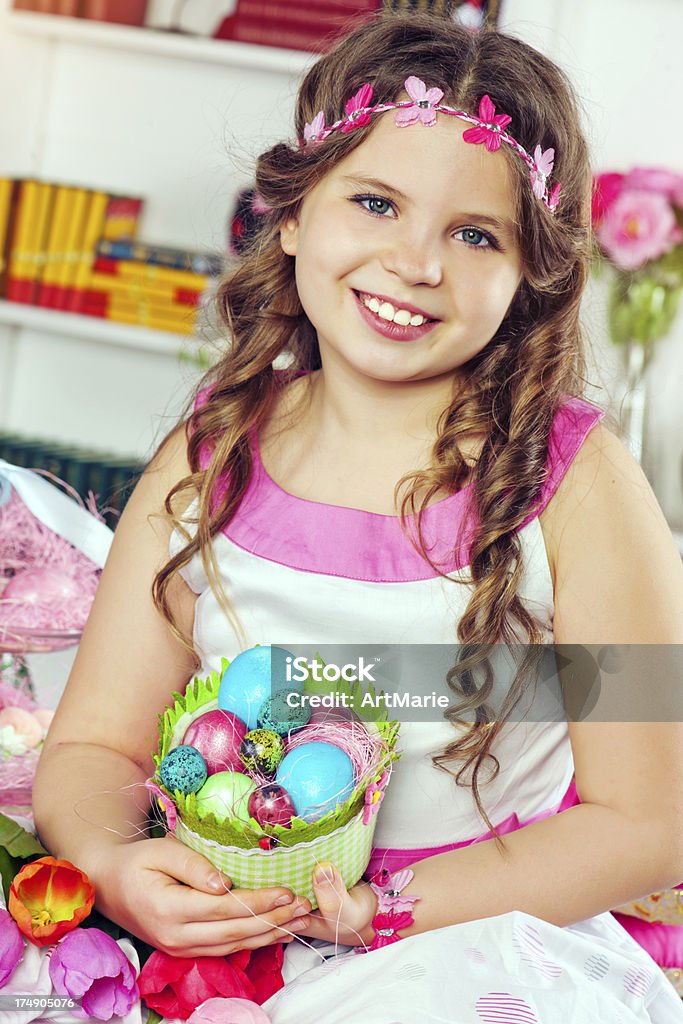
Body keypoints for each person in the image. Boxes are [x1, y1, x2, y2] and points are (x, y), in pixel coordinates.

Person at [33, 13, 683, 1022]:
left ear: (526, 279)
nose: (413, 262)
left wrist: (372, 913)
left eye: (475, 235)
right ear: (290, 214)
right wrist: (118, 867)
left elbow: (647, 817)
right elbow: (92, 750)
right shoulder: (210, 454)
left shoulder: (579, 486)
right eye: (374, 203)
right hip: (217, 948)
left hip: (469, 948)